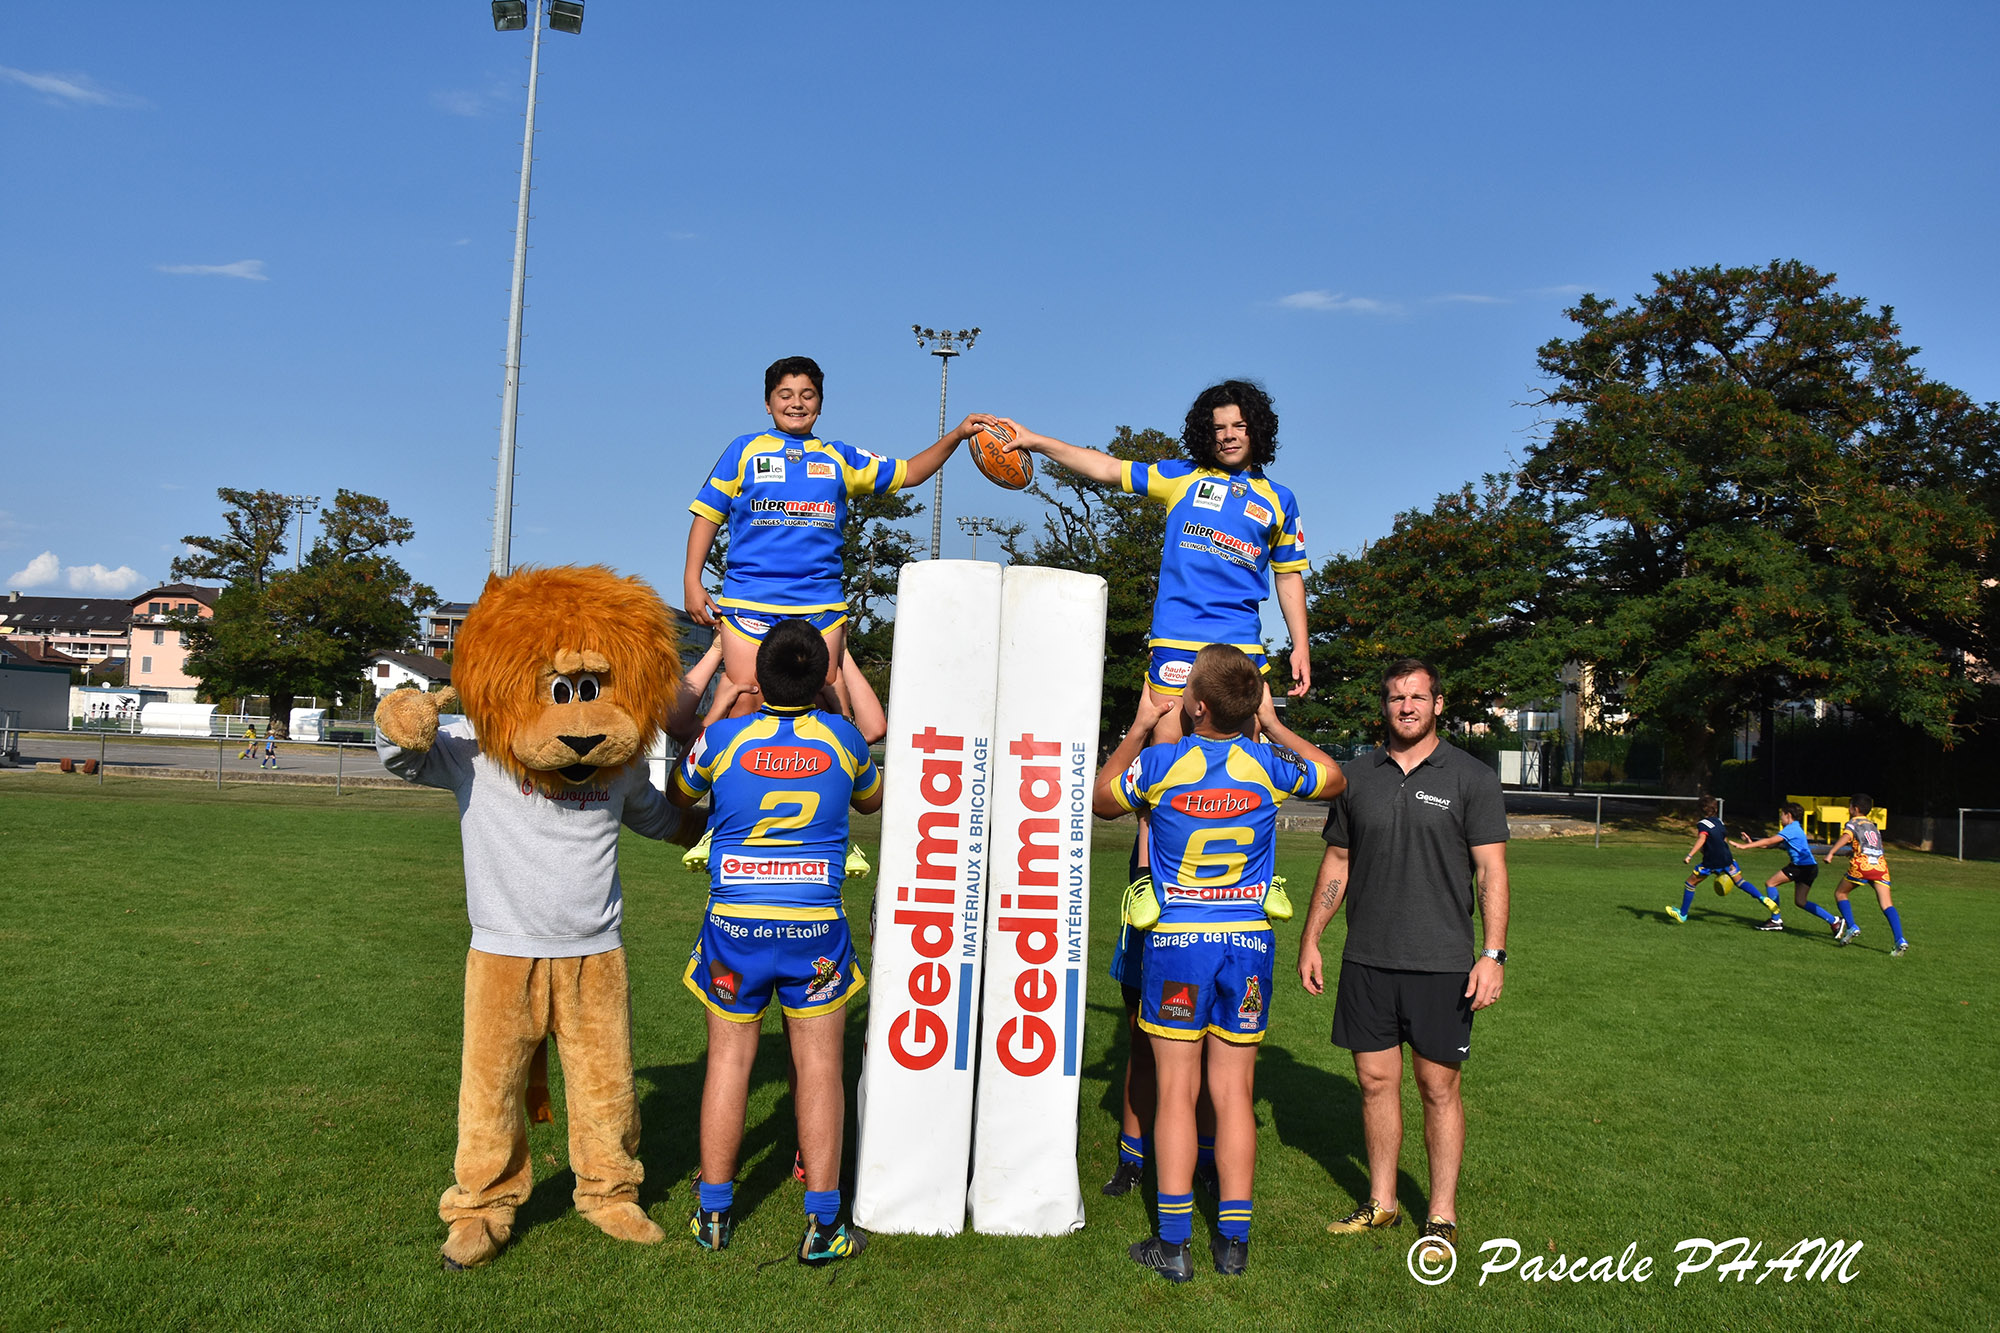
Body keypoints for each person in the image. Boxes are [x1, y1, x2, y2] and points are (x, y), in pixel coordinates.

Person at [1094, 645, 1341, 1281]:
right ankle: (1233, 1244)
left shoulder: (1162, 763)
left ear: (1198, 706)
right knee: (1234, 1094)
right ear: (1250, 705)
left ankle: (1174, 1243)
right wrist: (1275, 724)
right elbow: (1334, 777)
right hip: (1248, 944)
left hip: (1180, 942)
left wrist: (1141, 726)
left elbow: (1102, 799)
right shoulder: (1266, 764)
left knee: (1176, 1091)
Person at [665, 618, 882, 1265]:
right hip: (814, 929)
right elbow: (870, 800)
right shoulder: (844, 740)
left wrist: (722, 708)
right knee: (819, 1068)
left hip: (735, 928)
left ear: (758, 676)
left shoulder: (722, 739)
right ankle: (823, 1226)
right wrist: (833, 707)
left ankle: (713, 1214)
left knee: (729, 1062)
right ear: (820, 679)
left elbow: (679, 793)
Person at [1299, 658, 1508, 1263]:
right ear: (1384, 706)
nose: (1407, 707)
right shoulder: (1356, 777)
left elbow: (1491, 871)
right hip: (1367, 959)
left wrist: (1492, 954)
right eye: (1396, 698)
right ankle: (1382, 1202)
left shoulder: (1472, 777)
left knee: (1438, 1088)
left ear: (1438, 704)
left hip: (1443, 962)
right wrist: (1312, 938)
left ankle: (1440, 1216)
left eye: (1418, 697)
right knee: (1374, 1083)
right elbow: (1338, 862)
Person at [683, 355, 994, 720]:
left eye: (808, 395)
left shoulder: (839, 458)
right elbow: (708, 514)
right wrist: (692, 580)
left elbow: (910, 473)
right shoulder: (743, 451)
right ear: (767, 404)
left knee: (820, 707)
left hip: (820, 604)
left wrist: (957, 435)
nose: (797, 403)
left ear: (820, 403)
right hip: (750, 600)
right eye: (785, 394)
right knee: (746, 701)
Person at [1732, 802, 1844, 938]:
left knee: (1771, 883)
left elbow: (1770, 841)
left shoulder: (1792, 829)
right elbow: (1772, 845)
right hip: (1809, 868)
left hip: (1800, 868)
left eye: (1782, 815)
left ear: (1788, 815)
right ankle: (1835, 921)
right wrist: (1751, 843)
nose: (1780, 818)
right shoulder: (1794, 828)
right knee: (1801, 901)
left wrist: (1744, 847)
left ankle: (1775, 920)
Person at [1667, 797, 1781, 928]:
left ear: (1700, 810)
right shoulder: (1719, 821)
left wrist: (1689, 855)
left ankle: (1682, 914)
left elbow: (1702, 839)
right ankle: (1763, 898)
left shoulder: (1702, 824)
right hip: (1727, 858)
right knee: (1740, 882)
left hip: (1711, 861)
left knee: (1690, 883)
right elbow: (1724, 839)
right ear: (1716, 809)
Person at [1825, 793, 1908, 956]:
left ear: (1855, 809)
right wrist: (1853, 851)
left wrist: (1831, 853)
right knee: (1887, 904)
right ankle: (1900, 939)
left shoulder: (1853, 823)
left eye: (1849, 806)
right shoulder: (1873, 825)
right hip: (1880, 866)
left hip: (1863, 865)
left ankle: (1851, 927)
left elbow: (1846, 836)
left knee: (1840, 893)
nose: (1848, 809)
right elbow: (1872, 845)